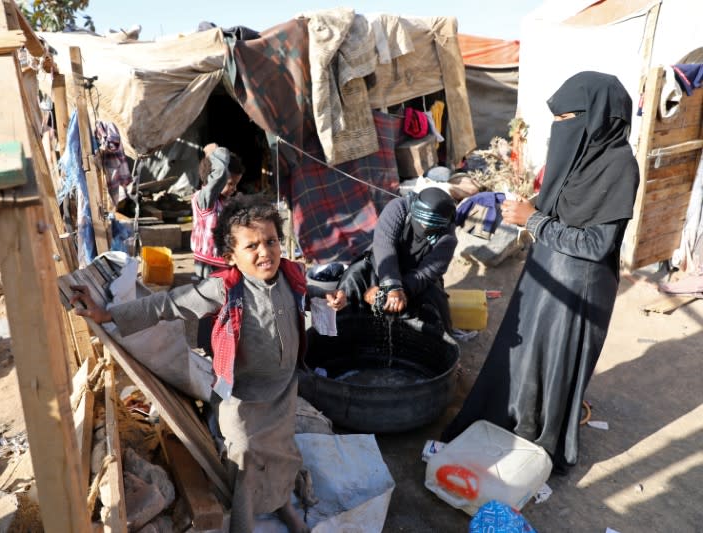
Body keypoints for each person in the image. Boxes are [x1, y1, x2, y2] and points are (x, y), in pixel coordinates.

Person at [71, 195, 346, 533]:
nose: (266, 252)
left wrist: (326, 294)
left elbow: (309, 289)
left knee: (282, 456)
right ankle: (243, 526)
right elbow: (168, 305)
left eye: (271, 241)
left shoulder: (291, 275)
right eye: (253, 246)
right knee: (245, 460)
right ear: (231, 256)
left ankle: (283, 505)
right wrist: (108, 314)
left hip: (283, 391)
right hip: (241, 398)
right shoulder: (225, 288)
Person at [441, 71, 640, 474]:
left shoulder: (620, 167)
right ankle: (512, 419)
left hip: (580, 289)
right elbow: (556, 206)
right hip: (546, 270)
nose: (560, 128)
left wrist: (534, 222)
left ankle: (541, 436)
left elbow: (597, 245)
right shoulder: (579, 156)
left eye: (568, 120)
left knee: (554, 363)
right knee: (525, 353)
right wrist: (517, 208)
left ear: (597, 117)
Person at [338, 186, 458, 334]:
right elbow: (384, 245)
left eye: (431, 227)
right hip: (382, 264)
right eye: (422, 223)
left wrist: (400, 291)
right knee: (353, 277)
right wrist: (391, 286)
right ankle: (345, 332)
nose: (425, 228)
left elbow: (425, 273)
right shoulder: (398, 208)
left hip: (416, 278)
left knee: (434, 302)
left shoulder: (447, 239)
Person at [191, 143, 244, 279]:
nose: (234, 189)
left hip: (222, 261)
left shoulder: (224, 201)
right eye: (230, 184)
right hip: (208, 264)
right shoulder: (205, 200)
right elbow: (220, 173)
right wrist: (214, 152)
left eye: (236, 185)